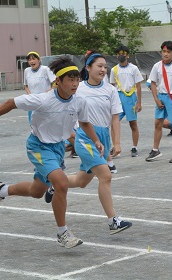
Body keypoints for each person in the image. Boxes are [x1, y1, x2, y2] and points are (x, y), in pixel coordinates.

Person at [0, 56, 102, 248]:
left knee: (36, 191)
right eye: (70, 79)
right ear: (57, 81)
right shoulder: (44, 99)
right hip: (38, 146)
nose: (75, 83)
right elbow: (11, 102)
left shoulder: (79, 101)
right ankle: (63, 233)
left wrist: (95, 140)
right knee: (61, 183)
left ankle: (1, 190)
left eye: (77, 79)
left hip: (57, 148)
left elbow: (85, 122)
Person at [46, 51, 132, 235]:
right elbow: (60, 105)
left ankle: (54, 184)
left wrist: (116, 143)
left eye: (105, 67)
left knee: (80, 181)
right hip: (85, 139)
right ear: (88, 68)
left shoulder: (110, 90)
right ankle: (113, 221)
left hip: (103, 139)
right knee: (105, 175)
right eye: (99, 66)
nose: (103, 69)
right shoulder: (79, 89)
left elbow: (115, 118)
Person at [146, 40, 172, 163]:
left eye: (168, 52)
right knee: (157, 123)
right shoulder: (157, 66)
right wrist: (156, 99)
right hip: (161, 97)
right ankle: (155, 150)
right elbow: (152, 83)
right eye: (163, 51)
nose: (165, 54)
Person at [109, 45, 143, 158]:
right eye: (118, 53)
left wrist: (139, 102)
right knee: (113, 124)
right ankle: (115, 146)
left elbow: (138, 86)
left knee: (132, 123)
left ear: (127, 55)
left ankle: (134, 147)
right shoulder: (114, 70)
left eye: (123, 53)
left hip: (130, 98)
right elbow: (112, 87)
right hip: (118, 97)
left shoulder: (133, 68)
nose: (121, 55)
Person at [24, 51, 56, 125]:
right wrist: (30, 94)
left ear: (39, 60)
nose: (32, 61)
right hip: (32, 100)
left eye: (34, 59)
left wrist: (48, 91)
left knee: (45, 123)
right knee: (32, 123)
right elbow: (26, 85)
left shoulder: (45, 69)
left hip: (44, 100)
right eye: (29, 60)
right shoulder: (26, 71)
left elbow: (56, 82)